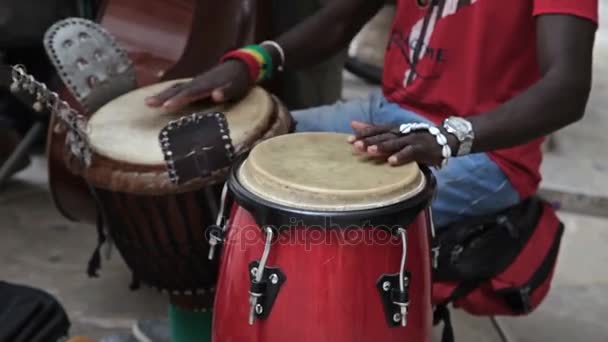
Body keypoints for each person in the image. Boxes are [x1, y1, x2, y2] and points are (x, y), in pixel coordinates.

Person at [139, 0, 598, 340]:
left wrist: (448, 138)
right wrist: (254, 60)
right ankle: (208, 324)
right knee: (228, 149)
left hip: (488, 153)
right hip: (391, 111)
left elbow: (567, 87)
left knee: (329, 220)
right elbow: (341, 18)